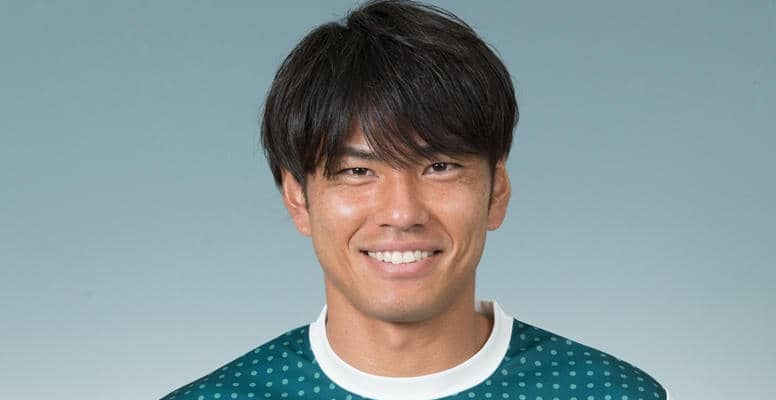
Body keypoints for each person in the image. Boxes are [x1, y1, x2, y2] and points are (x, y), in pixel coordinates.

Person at [161, 1, 669, 399]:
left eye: (439, 167)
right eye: (358, 171)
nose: (402, 213)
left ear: (496, 192)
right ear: (298, 199)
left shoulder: (610, 394)